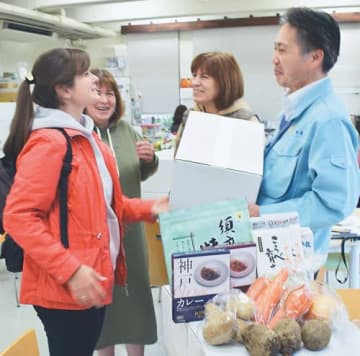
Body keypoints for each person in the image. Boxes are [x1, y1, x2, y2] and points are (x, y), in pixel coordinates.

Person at [2, 48, 168, 356]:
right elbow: (19, 217)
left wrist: (151, 208)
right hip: (63, 289)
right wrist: (72, 270)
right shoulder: (50, 142)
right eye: (86, 73)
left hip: (91, 281)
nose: (94, 78)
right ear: (64, 90)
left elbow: (109, 207)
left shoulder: (86, 140)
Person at [248, 7, 360, 260]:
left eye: (283, 50)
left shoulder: (327, 120)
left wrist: (262, 215)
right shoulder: (295, 111)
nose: (274, 58)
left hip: (292, 265)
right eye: (275, 49)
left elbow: (334, 202)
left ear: (314, 58)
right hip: (268, 254)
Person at [84, 68, 158, 356]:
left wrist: (150, 160)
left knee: (136, 298)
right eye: (97, 93)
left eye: (109, 93)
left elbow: (139, 170)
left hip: (132, 234)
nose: (105, 100)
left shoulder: (127, 130)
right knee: (104, 303)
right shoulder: (79, 135)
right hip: (95, 237)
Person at [175, 51, 258, 152]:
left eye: (204, 77)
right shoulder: (190, 117)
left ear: (225, 82)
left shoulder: (246, 121)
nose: (194, 83)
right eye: (194, 75)